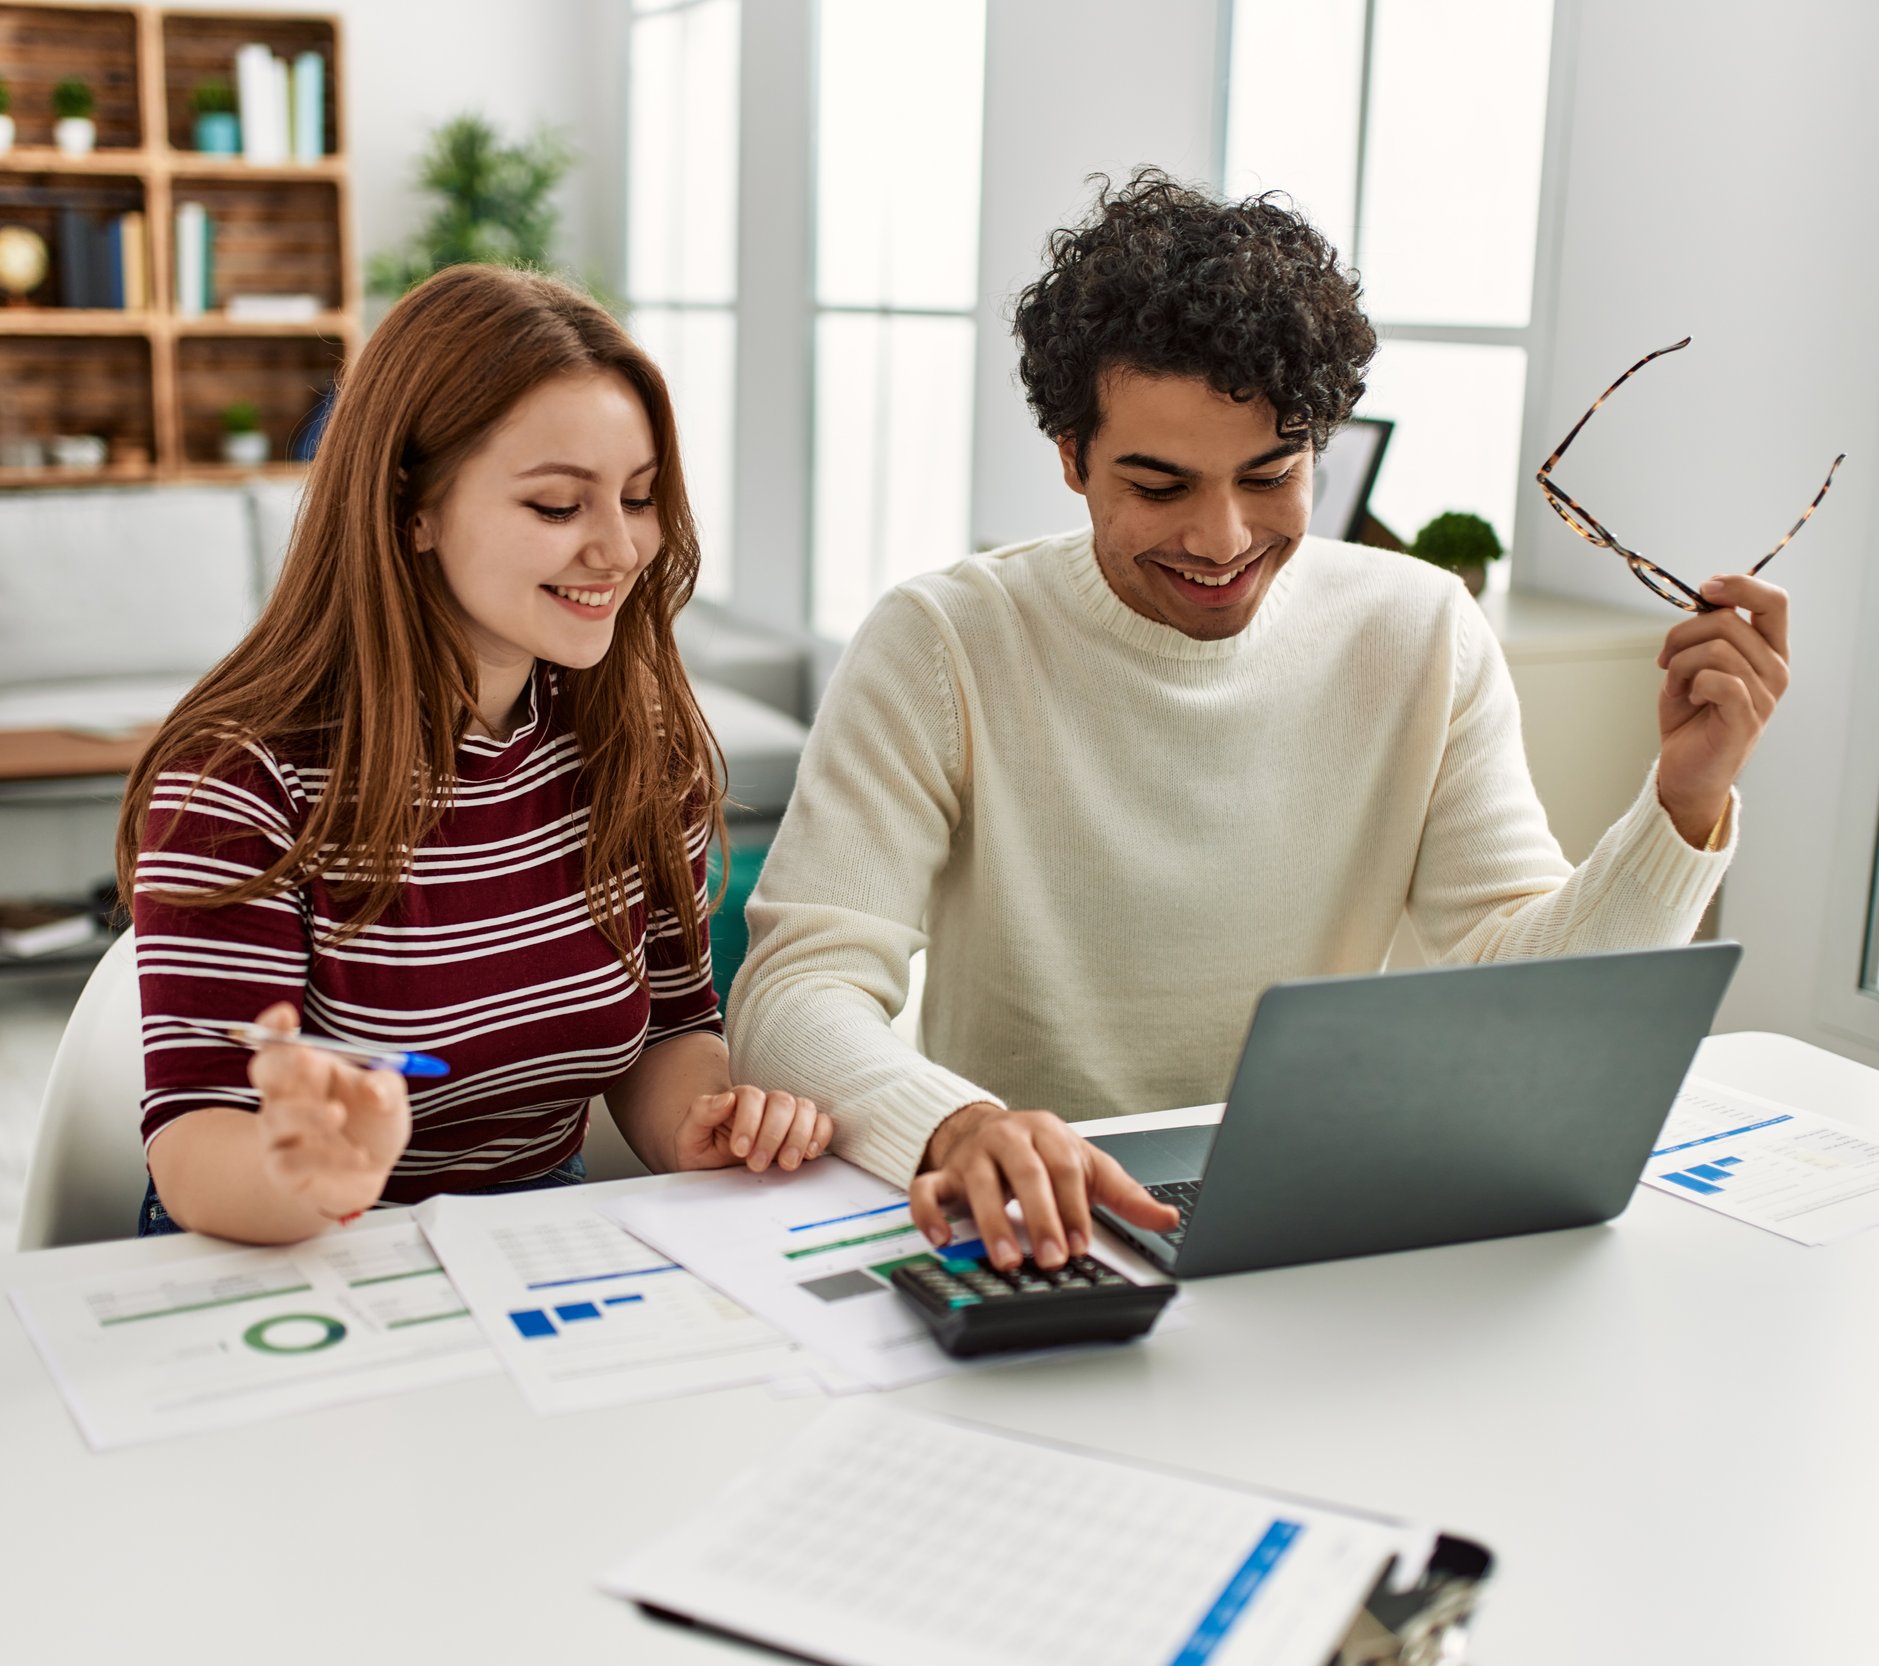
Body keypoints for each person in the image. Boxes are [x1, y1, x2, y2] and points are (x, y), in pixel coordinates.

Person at [729, 171, 1790, 1276]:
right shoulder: (942, 641)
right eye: (1157, 483)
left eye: (1270, 474)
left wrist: (1684, 800)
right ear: (1069, 457)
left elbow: (1527, 990)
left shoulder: (1419, 627)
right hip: (1041, 1224)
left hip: (1322, 1214)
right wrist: (956, 1125)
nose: (1222, 537)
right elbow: (795, 996)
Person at [118, 264, 828, 1244]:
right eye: (556, 506)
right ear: (412, 508)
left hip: (533, 1244)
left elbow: (667, 1031)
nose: (620, 551)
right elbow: (197, 1139)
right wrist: (316, 1172)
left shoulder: (636, 744)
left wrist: (704, 1126)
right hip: (289, 1258)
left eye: (638, 497)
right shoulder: (237, 781)